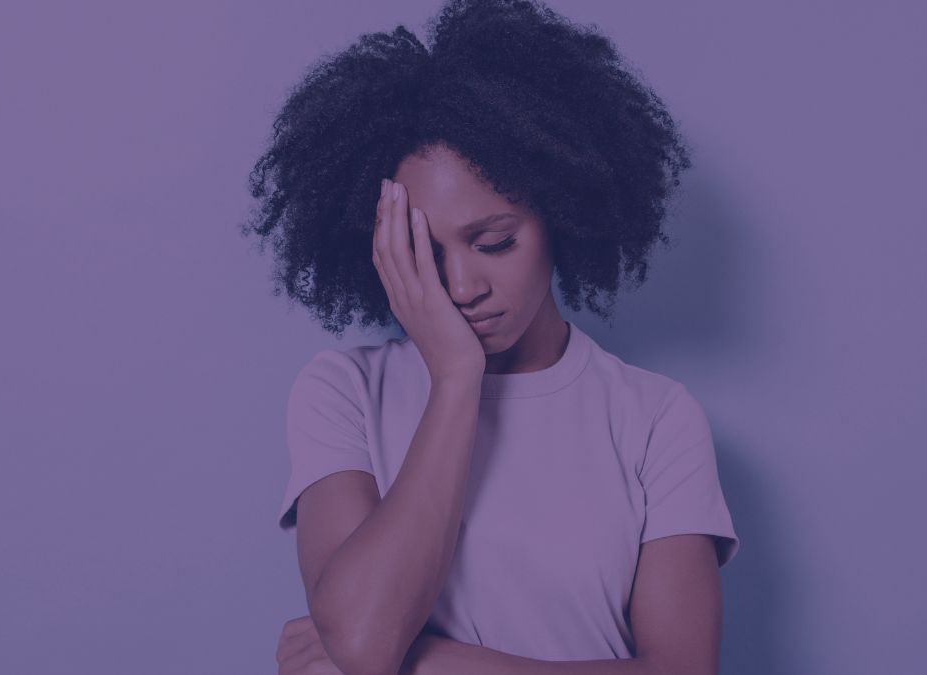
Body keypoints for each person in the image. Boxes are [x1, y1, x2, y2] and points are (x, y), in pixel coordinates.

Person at [243, 1, 741, 674]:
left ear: (561, 212)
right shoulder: (344, 393)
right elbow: (363, 639)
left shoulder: (654, 417)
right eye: (424, 250)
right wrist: (454, 377)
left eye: (496, 241)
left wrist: (433, 661)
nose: (462, 284)